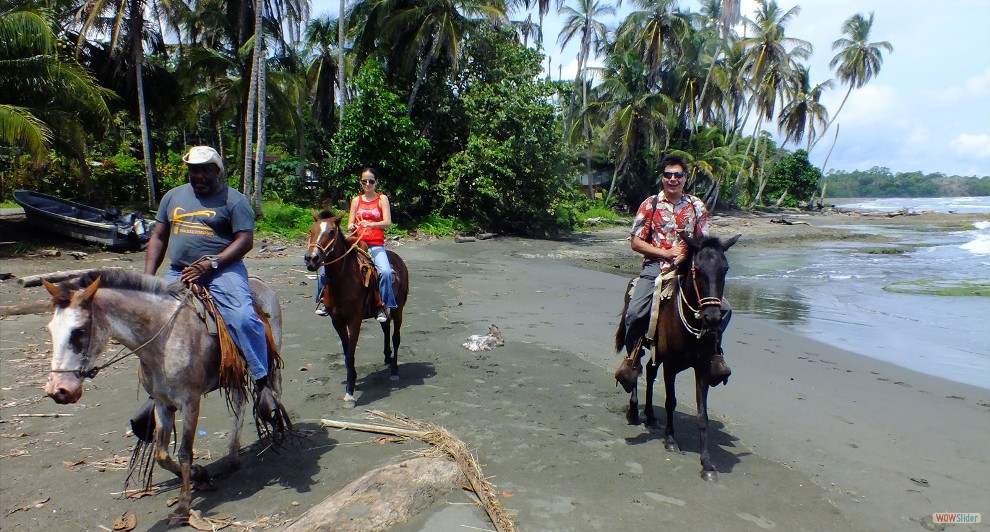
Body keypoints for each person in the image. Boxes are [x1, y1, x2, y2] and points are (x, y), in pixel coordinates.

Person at [135, 146, 285, 435]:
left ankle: (262, 382)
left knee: (243, 317)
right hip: (179, 271)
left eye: (205, 169)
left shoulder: (234, 200)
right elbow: (158, 236)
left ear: (218, 170)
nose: (198, 175)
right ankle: (156, 391)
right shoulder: (173, 196)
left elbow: (245, 241)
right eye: (194, 170)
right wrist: (148, 278)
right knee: (148, 322)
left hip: (223, 271)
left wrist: (211, 264)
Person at [620, 154, 732, 386]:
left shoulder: (696, 206)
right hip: (655, 267)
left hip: (688, 269)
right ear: (662, 178)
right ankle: (633, 359)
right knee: (634, 312)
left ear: (685, 178)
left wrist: (689, 256)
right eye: (668, 175)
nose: (673, 179)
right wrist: (666, 253)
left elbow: (704, 241)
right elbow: (636, 243)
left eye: (677, 175)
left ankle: (714, 354)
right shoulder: (650, 205)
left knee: (725, 309)